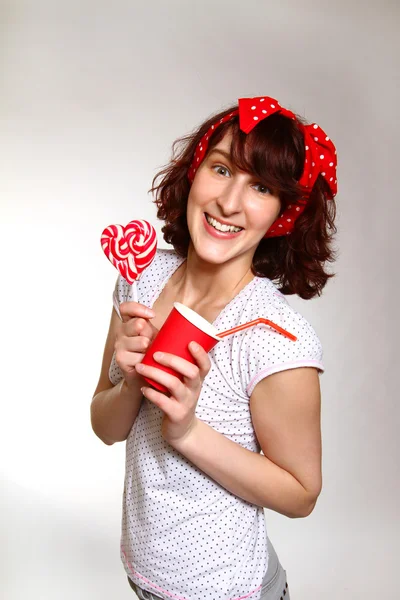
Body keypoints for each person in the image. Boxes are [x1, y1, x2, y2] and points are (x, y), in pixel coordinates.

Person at [91, 95, 337, 600]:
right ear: (194, 171)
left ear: (282, 214)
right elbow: (104, 426)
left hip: (229, 591)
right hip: (144, 575)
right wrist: (133, 379)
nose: (229, 203)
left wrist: (185, 430)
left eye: (261, 187)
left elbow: (301, 494)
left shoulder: (274, 337)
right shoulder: (140, 280)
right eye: (222, 169)